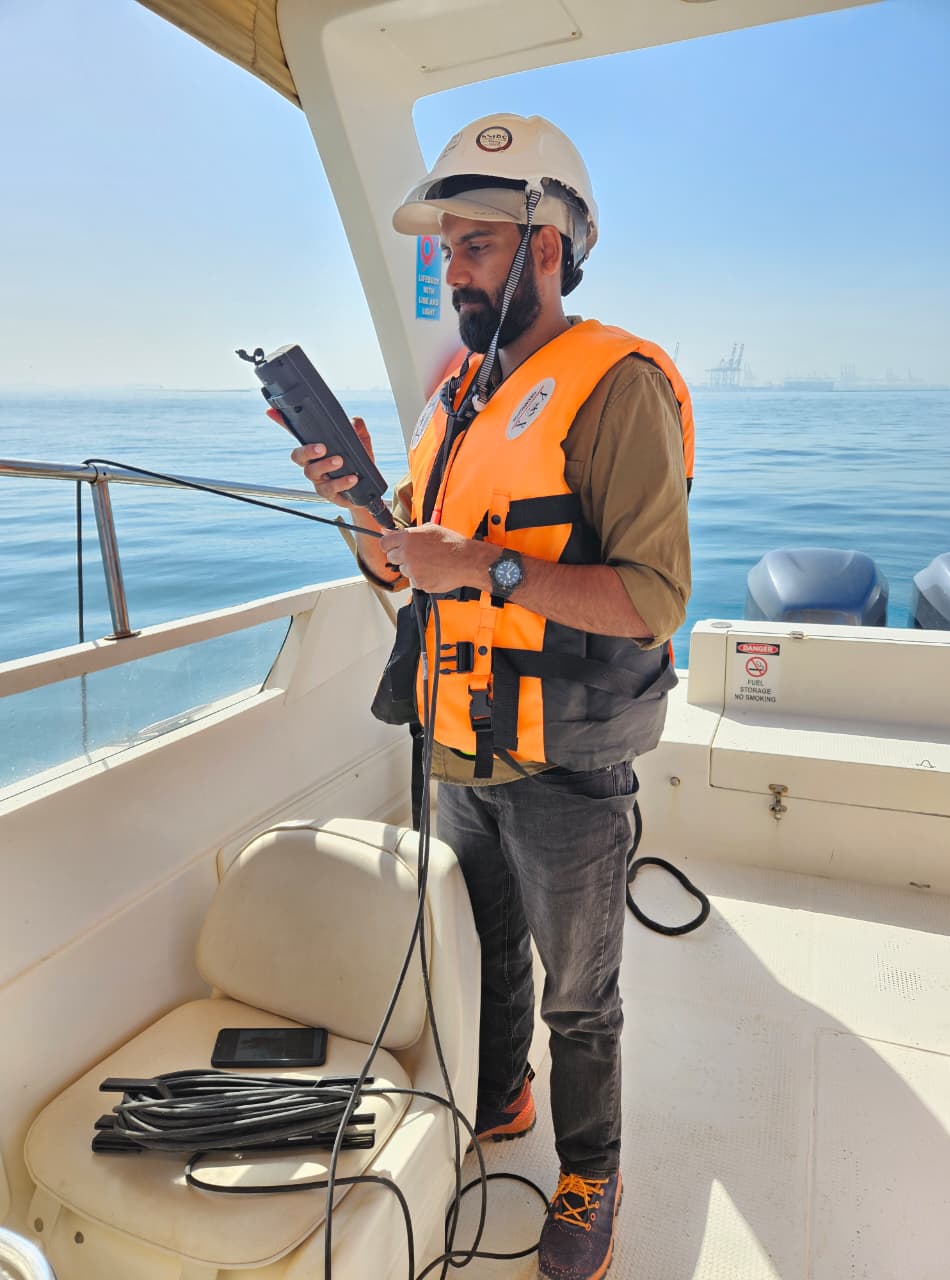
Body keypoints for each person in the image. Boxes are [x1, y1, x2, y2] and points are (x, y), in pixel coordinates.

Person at [291, 113, 692, 1280]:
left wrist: (485, 566)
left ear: (545, 248)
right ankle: (503, 1092)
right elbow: (404, 568)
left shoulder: (619, 388)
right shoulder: (456, 397)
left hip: (566, 763)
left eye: (474, 247)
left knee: (582, 993)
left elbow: (654, 597)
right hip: (461, 737)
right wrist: (361, 507)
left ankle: (591, 1170)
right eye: (448, 249)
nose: (453, 270)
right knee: (488, 942)